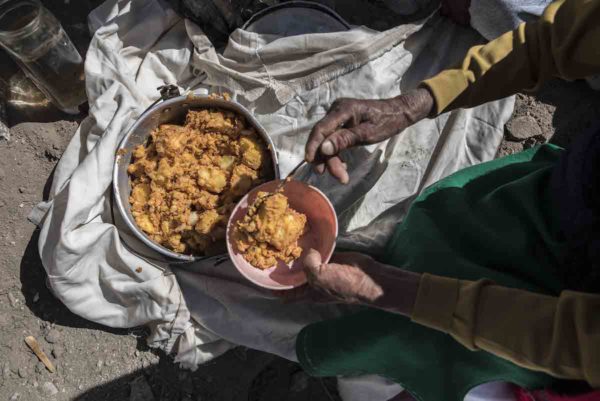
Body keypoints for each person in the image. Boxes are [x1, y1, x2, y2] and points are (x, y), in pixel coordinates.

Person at [293, 0, 600, 399]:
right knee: (436, 226)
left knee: (421, 342)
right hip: (566, 192)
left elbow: (569, 339)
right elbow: (558, 38)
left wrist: (388, 290)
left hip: (547, 328)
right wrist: (408, 106)